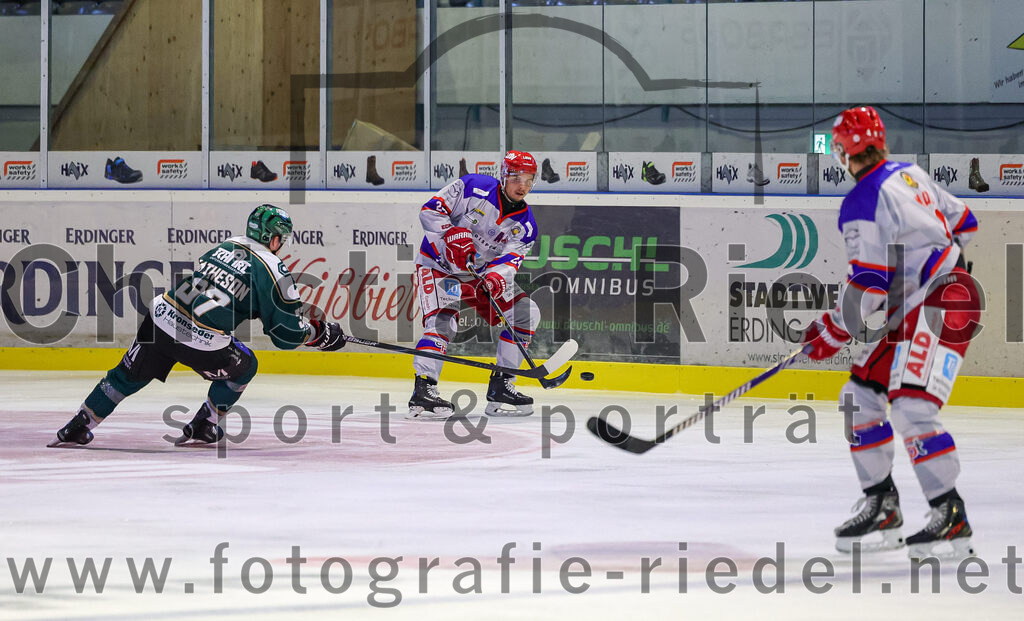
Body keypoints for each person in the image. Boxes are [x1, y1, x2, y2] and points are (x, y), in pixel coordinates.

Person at [802, 106, 980, 559]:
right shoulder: (911, 174)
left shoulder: (862, 199)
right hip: (932, 298)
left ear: (843, 151)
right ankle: (882, 503)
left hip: (942, 303)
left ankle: (949, 514)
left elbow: (869, 285)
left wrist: (833, 329)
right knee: (861, 396)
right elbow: (966, 223)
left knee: (911, 406)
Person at [49, 204, 346, 447]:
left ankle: (79, 424)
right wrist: (319, 334)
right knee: (246, 365)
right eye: (282, 238)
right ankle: (206, 423)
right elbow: (285, 334)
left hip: (161, 316)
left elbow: (234, 293)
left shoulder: (227, 244)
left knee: (127, 376)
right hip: (199, 339)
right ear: (274, 238)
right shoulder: (274, 269)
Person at [409, 150, 541, 420]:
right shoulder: (472, 187)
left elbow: (510, 261)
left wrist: (494, 278)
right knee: (443, 321)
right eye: (516, 177)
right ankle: (423, 391)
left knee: (526, 313)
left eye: (529, 179)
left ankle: (502, 385)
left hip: (477, 274)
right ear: (503, 175)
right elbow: (429, 211)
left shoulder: (526, 226)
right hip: (439, 266)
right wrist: (451, 232)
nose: (523, 185)